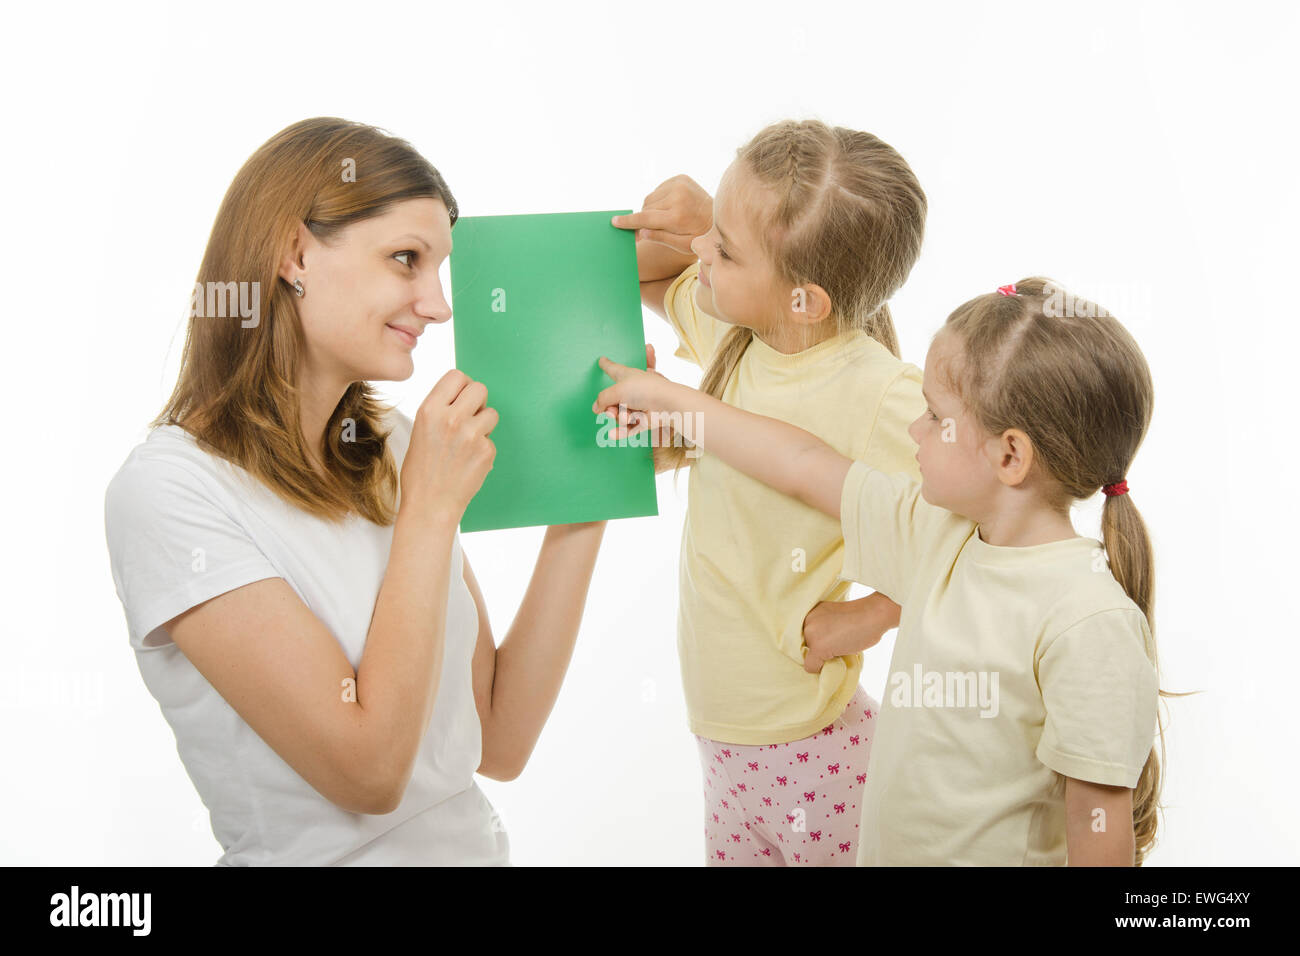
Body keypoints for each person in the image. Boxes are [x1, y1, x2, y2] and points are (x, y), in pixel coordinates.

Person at [104, 117, 608, 865]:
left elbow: (498, 739)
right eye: (407, 259)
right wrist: (430, 511)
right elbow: (367, 771)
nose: (438, 305)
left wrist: (591, 490)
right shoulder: (169, 492)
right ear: (295, 253)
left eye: (438, 269)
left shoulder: (394, 445)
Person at [594, 277, 1169, 865]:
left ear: (1010, 456)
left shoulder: (1086, 620)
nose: (915, 428)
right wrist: (674, 403)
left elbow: (1099, 836)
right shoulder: (935, 536)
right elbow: (801, 463)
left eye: (934, 415)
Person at [605, 119, 928, 864]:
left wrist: (869, 619)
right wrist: (697, 221)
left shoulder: (875, 390)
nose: (699, 257)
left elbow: (979, 531)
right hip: (725, 739)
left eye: (724, 250)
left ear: (806, 301)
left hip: (812, 747)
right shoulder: (738, 329)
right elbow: (645, 272)